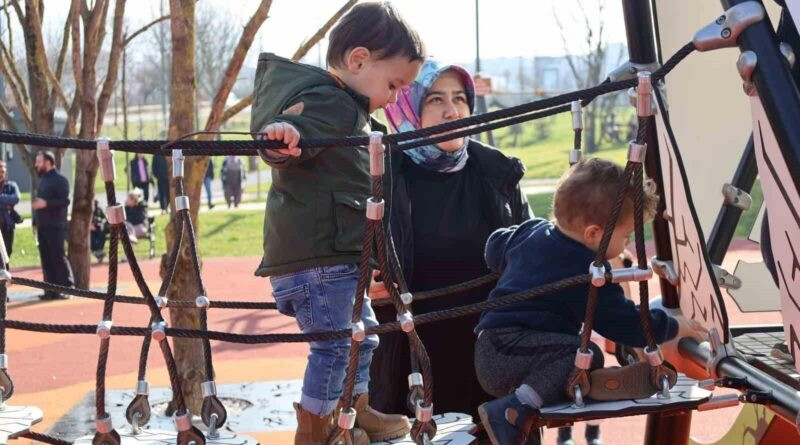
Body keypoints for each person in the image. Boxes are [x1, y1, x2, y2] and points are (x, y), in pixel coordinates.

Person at [251, 3, 425, 443]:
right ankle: (318, 430)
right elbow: (293, 131)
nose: (393, 97)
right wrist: (284, 137)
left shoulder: (348, 109)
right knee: (335, 346)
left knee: (359, 340)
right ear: (358, 60)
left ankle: (354, 411)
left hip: (332, 259)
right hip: (317, 262)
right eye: (393, 84)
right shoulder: (329, 100)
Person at [473, 158, 704, 445]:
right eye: (626, 235)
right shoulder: (586, 270)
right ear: (594, 234)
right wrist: (674, 327)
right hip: (511, 353)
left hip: (491, 344)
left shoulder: (532, 229)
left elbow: (495, 245)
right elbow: (625, 324)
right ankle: (516, 407)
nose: (628, 244)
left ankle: (581, 384)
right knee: (584, 354)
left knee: (579, 353)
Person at [368, 60, 531, 420]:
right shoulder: (383, 177)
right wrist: (365, 285)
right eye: (436, 100)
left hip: (489, 351)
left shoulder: (498, 174)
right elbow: (349, 257)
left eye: (460, 98)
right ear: (410, 109)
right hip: (407, 357)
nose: (452, 111)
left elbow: (531, 251)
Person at [32, 151, 73, 300]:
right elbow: (38, 204)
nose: (36, 164)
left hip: (55, 226)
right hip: (43, 226)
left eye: (39, 161)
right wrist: (35, 223)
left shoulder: (60, 180)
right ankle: (50, 291)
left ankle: (67, 288)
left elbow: (65, 201)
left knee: (58, 257)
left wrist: (46, 204)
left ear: (48, 162)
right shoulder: (42, 180)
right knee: (46, 258)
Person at [0, 161, 20, 263]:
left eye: (3, 169)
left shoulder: (12, 185)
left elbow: (16, 198)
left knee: (7, 253)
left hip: (7, 226)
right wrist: (6, 204)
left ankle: (5, 277)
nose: (1, 171)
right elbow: (10, 200)